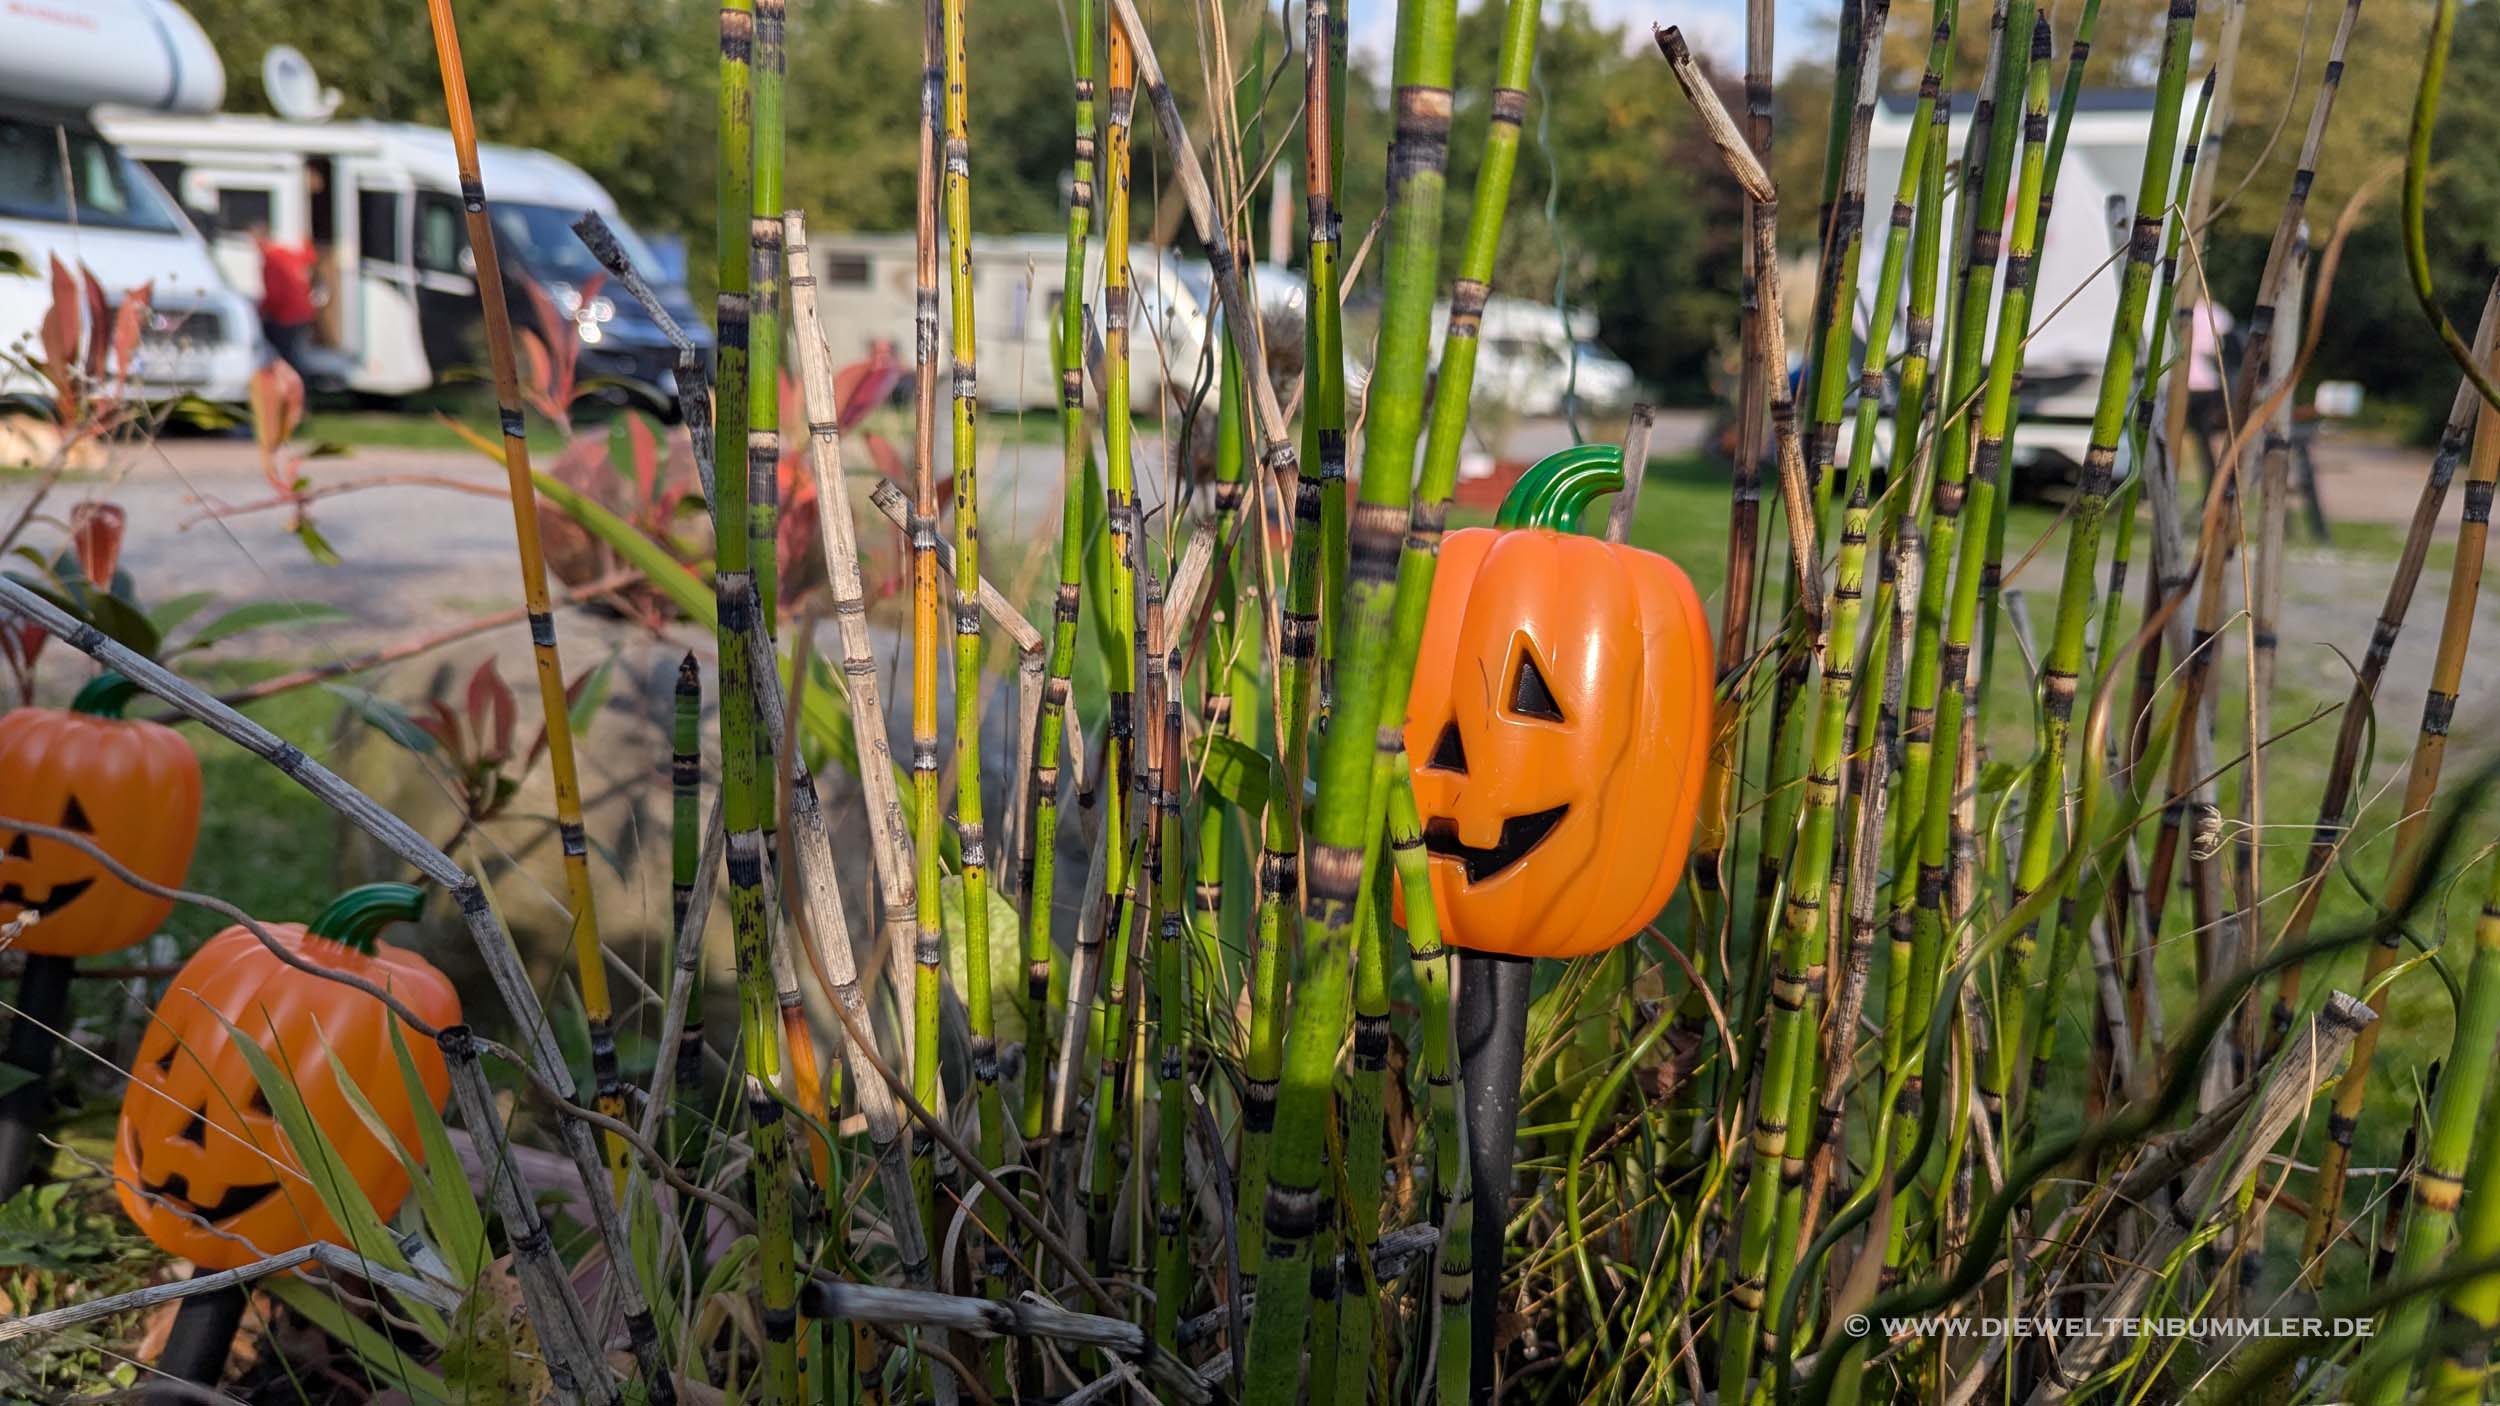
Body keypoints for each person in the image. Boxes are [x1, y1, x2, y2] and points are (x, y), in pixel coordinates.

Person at [252, 223, 318, 374]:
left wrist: (261, 312)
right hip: (305, 312)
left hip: (288, 316)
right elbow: (309, 258)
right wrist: (306, 241)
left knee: (286, 356)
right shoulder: (286, 253)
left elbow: (274, 295)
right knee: (297, 354)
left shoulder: (270, 261)